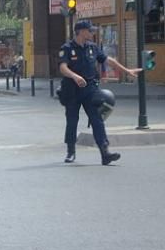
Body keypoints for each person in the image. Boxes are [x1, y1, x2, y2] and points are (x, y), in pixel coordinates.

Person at [58, 20, 141, 165]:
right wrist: (75, 76)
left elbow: (108, 60)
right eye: (90, 31)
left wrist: (127, 71)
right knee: (72, 120)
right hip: (72, 90)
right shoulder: (67, 48)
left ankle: (105, 152)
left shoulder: (93, 47)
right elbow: (63, 67)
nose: (92, 33)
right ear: (81, 31)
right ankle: (71, 151)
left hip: (90, 89)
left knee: (97, 119)